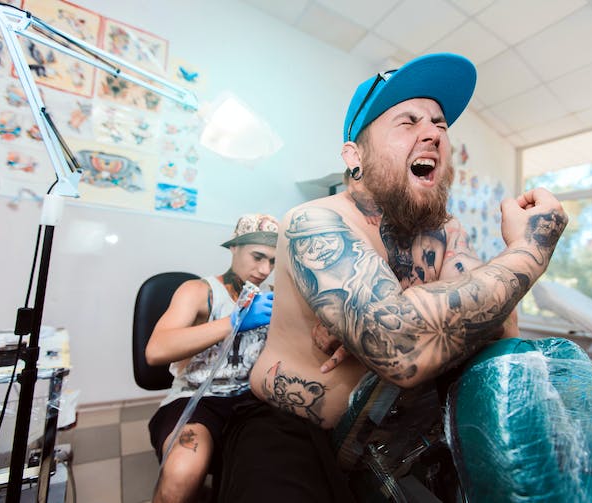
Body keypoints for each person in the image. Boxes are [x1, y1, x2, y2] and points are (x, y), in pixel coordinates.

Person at [216, 53, 568, 501]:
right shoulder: (313, 221)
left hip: (399, 445)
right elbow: (402, 345)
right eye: (408, 122)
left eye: (440, 124)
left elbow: (501, 325)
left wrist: (394, 316)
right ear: (355, 156)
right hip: (292, 433)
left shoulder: (447, 231)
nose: (433, 134)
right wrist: (530, 249)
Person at [145, 213, 279, 503]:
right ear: (234, 247)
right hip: (198, 398)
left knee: (275, 474)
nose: (264, 269)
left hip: (251, 401)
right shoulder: (199, 292)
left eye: (273, 261)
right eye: (258, 257)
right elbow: (156, 351)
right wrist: (233, 322)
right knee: (181, 476)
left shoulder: (270, 299)